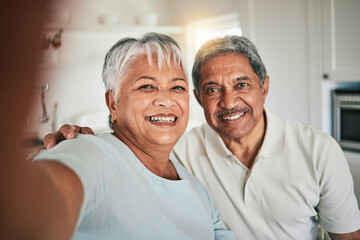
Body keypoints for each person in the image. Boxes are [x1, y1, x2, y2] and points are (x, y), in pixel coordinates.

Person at [45, 35, 360, 239]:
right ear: (199, 98)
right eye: (146, 86)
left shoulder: (317, 150)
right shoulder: (166, 151)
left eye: (242, 85)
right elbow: (48, 191)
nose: (229, 101)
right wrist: (79, 142)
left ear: (264, 87)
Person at [6, 33, 235, 240]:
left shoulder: (195, 187)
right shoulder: (91, 152)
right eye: (146, 86)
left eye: (177, 88)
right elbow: (32, 211)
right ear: (113, 103)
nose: (166, 100)